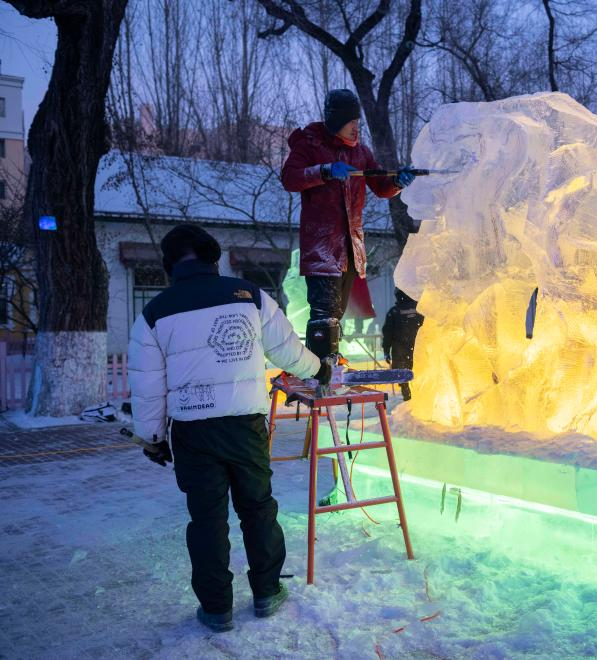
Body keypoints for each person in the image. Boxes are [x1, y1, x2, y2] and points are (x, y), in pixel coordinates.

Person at [128, 225, 330, 633]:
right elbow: (287, 351)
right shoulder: (249, 296)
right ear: (214, 258)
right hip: (244, 427)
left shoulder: (153, 314)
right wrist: (319, 369)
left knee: (207, 519)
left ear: (169, 265)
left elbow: (148, 385)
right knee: (257, 508)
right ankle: (267, 592)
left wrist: (152, 439)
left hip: (192, 432)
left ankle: (216, 608)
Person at [280, 88, 416, 364]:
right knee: (324, 311)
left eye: (357, 122)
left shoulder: (361, 153)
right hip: (322, 246)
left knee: (338, 310)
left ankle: (328, 357)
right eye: (350, 122)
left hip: (351, 249)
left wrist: (396, 182)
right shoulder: (310, 145)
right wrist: (324, 170)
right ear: (336, 121)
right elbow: (290, 178)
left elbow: (380, 185)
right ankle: (321, 364)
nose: (356, 128)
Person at [381, 288, 424, 401]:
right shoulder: (420, 309)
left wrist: (386, 351)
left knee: (404, 377)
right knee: (420, 375)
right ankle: (418, 399)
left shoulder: (394, 312)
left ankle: (407, 396)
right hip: (418, 350)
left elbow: (387, 334)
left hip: (400, 352)